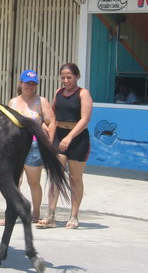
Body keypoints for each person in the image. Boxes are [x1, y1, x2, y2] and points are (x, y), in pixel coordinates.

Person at [37, 63, 92, 230]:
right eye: (63, 77)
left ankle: (74, 215)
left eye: (69, 77)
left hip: (78, 139)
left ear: (77, 77)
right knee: (55, 176)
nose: (66, 80)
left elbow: (85, 119)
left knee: (75, 178)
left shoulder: (83, 94)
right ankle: (50, 214)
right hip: (59, 137)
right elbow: (51, 113)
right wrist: (44, 123)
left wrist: (70, 136)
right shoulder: (58, 93)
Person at [0, 69, 55, 226]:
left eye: (33, 84)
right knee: (14, 182)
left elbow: (51, 122)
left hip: (34, 146)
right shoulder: (13, 102)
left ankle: (35, 212)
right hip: (14, 147)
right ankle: (12, 213)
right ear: (20, 83)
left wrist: (48, 142)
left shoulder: (41, 101)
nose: (30, 86)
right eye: (27, 83)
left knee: (33, 181)